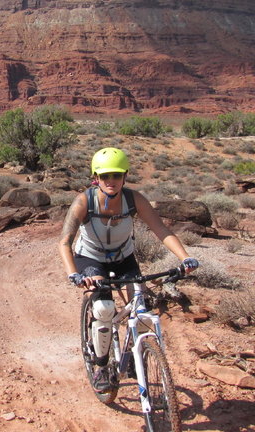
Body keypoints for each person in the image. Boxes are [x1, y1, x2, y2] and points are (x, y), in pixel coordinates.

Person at [58, 147, 199, 393]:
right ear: (96, 177)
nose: (111, 181)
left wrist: (186, 258)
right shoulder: (84, 201)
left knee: (141, 305)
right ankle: (101, 366)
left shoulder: (134, 200)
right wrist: (74, 274)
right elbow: (64, 242)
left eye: (116, 175)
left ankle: (137, 353)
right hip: (90, 257)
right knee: (103, 307)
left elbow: (162, 231)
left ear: (125, 175)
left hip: (124, 257)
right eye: (105, 176)